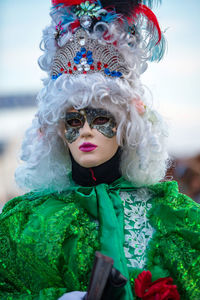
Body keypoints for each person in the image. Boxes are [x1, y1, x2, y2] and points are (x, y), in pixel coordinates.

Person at [0, 0, 200, 299]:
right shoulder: (24, 221)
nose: (85, 130)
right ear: (57, 130)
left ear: (126, 126)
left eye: (101, 117)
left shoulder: (175, 216)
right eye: (73, 120)